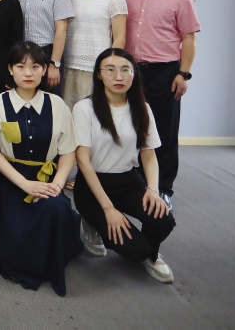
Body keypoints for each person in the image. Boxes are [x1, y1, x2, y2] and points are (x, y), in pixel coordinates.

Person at [0, 41, 82, 296]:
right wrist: (24, 184)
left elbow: (68, 151)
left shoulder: (57, 105)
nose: (28, 73)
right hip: (8, 179)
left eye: (35, 66)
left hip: (47, 178)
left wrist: (57, 185)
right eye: (20, 66)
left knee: (55, 209)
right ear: (10, 69)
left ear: (44, 70)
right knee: (13, 238)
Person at [73, 48, 177, 283]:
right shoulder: (84, 108)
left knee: (163, 221)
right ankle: (93, 221)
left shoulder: (142, 108)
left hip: (129, 181)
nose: (118, 77)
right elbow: (83, 162)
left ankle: (152, 255)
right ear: (99, 74)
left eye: (125, 70)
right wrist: (109, 209)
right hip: (93, 186)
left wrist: (153, 190)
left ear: (134, 74)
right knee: (135, 251)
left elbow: (149, 156)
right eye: (110, 70)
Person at [121, 0, 200, 209]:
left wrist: (183, 73)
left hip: (165, 72)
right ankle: (137, 183)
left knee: (163, 130)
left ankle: (163, 188)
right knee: (130, 127)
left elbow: (189, 39)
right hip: (129, 71)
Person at [63, 0, 128, 109]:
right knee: (70, 112)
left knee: (97, 111)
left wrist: (110, 66)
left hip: (98, 66)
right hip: (70, 65)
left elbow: (120, 37)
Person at [5, 0, 74, 95]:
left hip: (47, 56)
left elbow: (62, 29)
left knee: (49, 102)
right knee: (20, 101)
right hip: (19, 57)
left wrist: (54, 64)